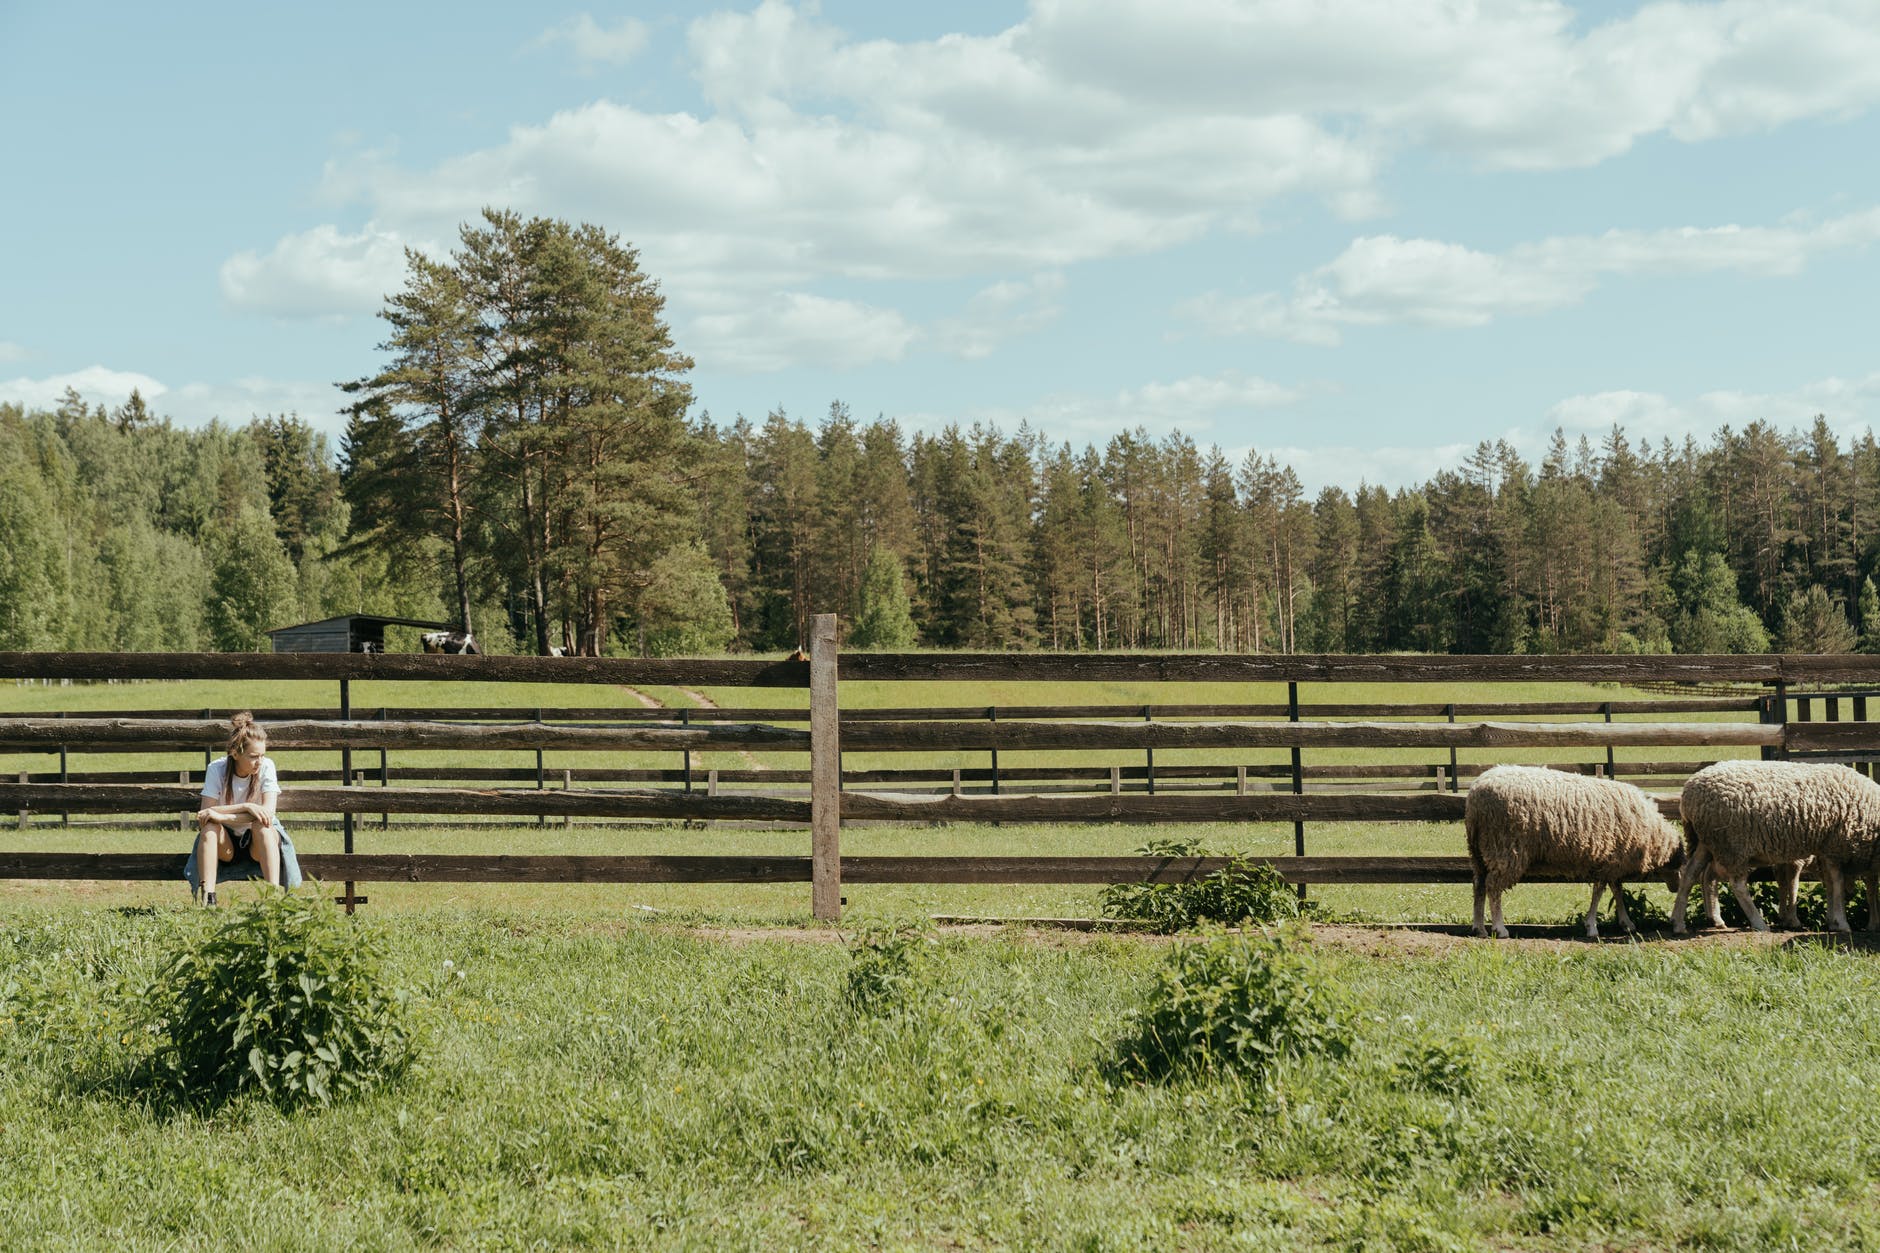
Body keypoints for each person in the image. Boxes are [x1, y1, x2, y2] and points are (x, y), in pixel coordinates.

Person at [184, 711, 303, 904]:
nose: (260, 761)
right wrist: (247, 806)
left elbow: (267, 814)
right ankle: (209, 899)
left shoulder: (266, 766)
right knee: (209, 829)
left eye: (262, 755)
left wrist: (220, 815)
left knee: (262, 826)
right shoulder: (217, 769)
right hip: (227, 845)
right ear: (235, 753)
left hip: (257, 843)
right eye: (254, 756)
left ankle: (272, 900)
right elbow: (204, 815)